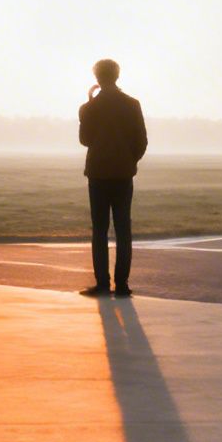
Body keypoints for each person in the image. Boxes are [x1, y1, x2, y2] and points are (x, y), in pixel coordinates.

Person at [78, 58, 147, 298]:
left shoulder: (89, 108)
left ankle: (102, 283)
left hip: (98, 174)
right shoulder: (132, 104)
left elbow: (85, 140)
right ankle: (123, 284)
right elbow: (141, 142)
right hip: (123, 174)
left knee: (99, 229)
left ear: (96, 78)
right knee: (123, 229)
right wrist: (129, 162)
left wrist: (88, 105)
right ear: (117, 76)